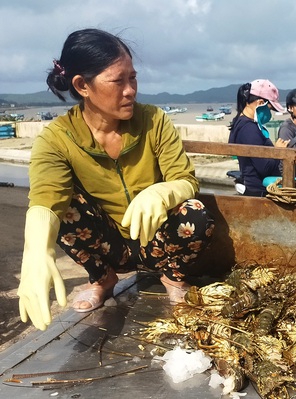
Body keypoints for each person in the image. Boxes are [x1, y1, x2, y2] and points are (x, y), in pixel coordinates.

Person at [17, 28, 215, 331]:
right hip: (108, 246)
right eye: (118, 81)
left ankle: (172, 277)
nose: (130, 90)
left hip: (156, 243)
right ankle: (102, 279)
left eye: (132, 78)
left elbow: (185, 178)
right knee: (64, 206)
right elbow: (46, 198)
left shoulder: (153, 121)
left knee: (195, 212)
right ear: (82, 85)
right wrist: (35, 252)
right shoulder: (58, 138)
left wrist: (163, 192)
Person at [228, 79, 290, 197]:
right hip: (258, 190)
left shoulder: (240, 122)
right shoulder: (249, 129)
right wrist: (277, 151)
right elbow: (264, 168)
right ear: (260, 103)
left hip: (254, 185)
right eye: (270, 108)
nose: (269, 113)